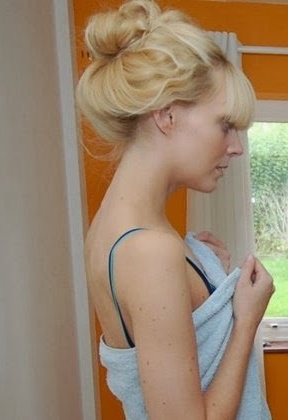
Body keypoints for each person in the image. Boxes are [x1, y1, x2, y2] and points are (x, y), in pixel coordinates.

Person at [75, 1, 274, 419]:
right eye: (225, 125)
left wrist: (201, 269)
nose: (236, 147)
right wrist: (246, 320)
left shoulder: (123, 231)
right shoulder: (150, 250)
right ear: (166, 115)